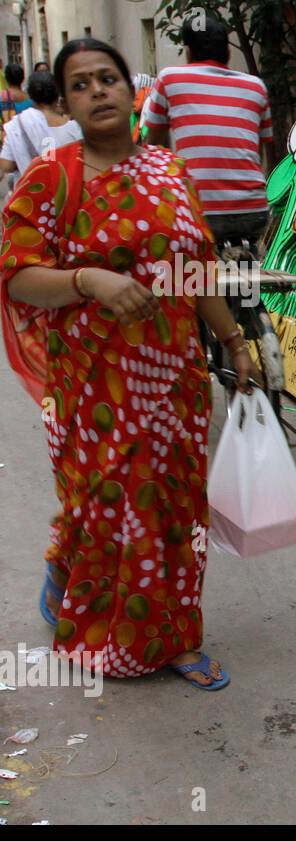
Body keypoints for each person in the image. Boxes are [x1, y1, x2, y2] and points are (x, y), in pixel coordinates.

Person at [0, 38, 253, 689]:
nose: (99, 90)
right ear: (64, 103)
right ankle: (105, 616)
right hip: (94, 385)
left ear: (130, 88)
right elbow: (18, 277)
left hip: (175, 380)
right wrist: (88, 281)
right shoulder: (53, 177)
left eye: (108, 77)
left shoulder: (169, 168)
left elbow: (195, 266)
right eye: (81, 84)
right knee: (107, 503)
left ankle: (171, 636)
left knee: (172, 510)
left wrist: (231, 339)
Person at [143, 12, 274, 249]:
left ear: (189, 51)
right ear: (228, 52)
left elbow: (151, 146)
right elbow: (265, 152)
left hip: (198, 211)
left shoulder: (170, 78)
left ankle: (198, 284)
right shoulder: (256, 86)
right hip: (252, 211)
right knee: (243, 281)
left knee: (194, 279)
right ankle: (244, 283)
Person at [0, 71, 82, 178]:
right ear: (57, 95)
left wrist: (24, 158)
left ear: (30, 96)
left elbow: (6, 166)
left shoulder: (18, 125)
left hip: (31, 192)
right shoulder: (75, 128)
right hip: (66, 191)